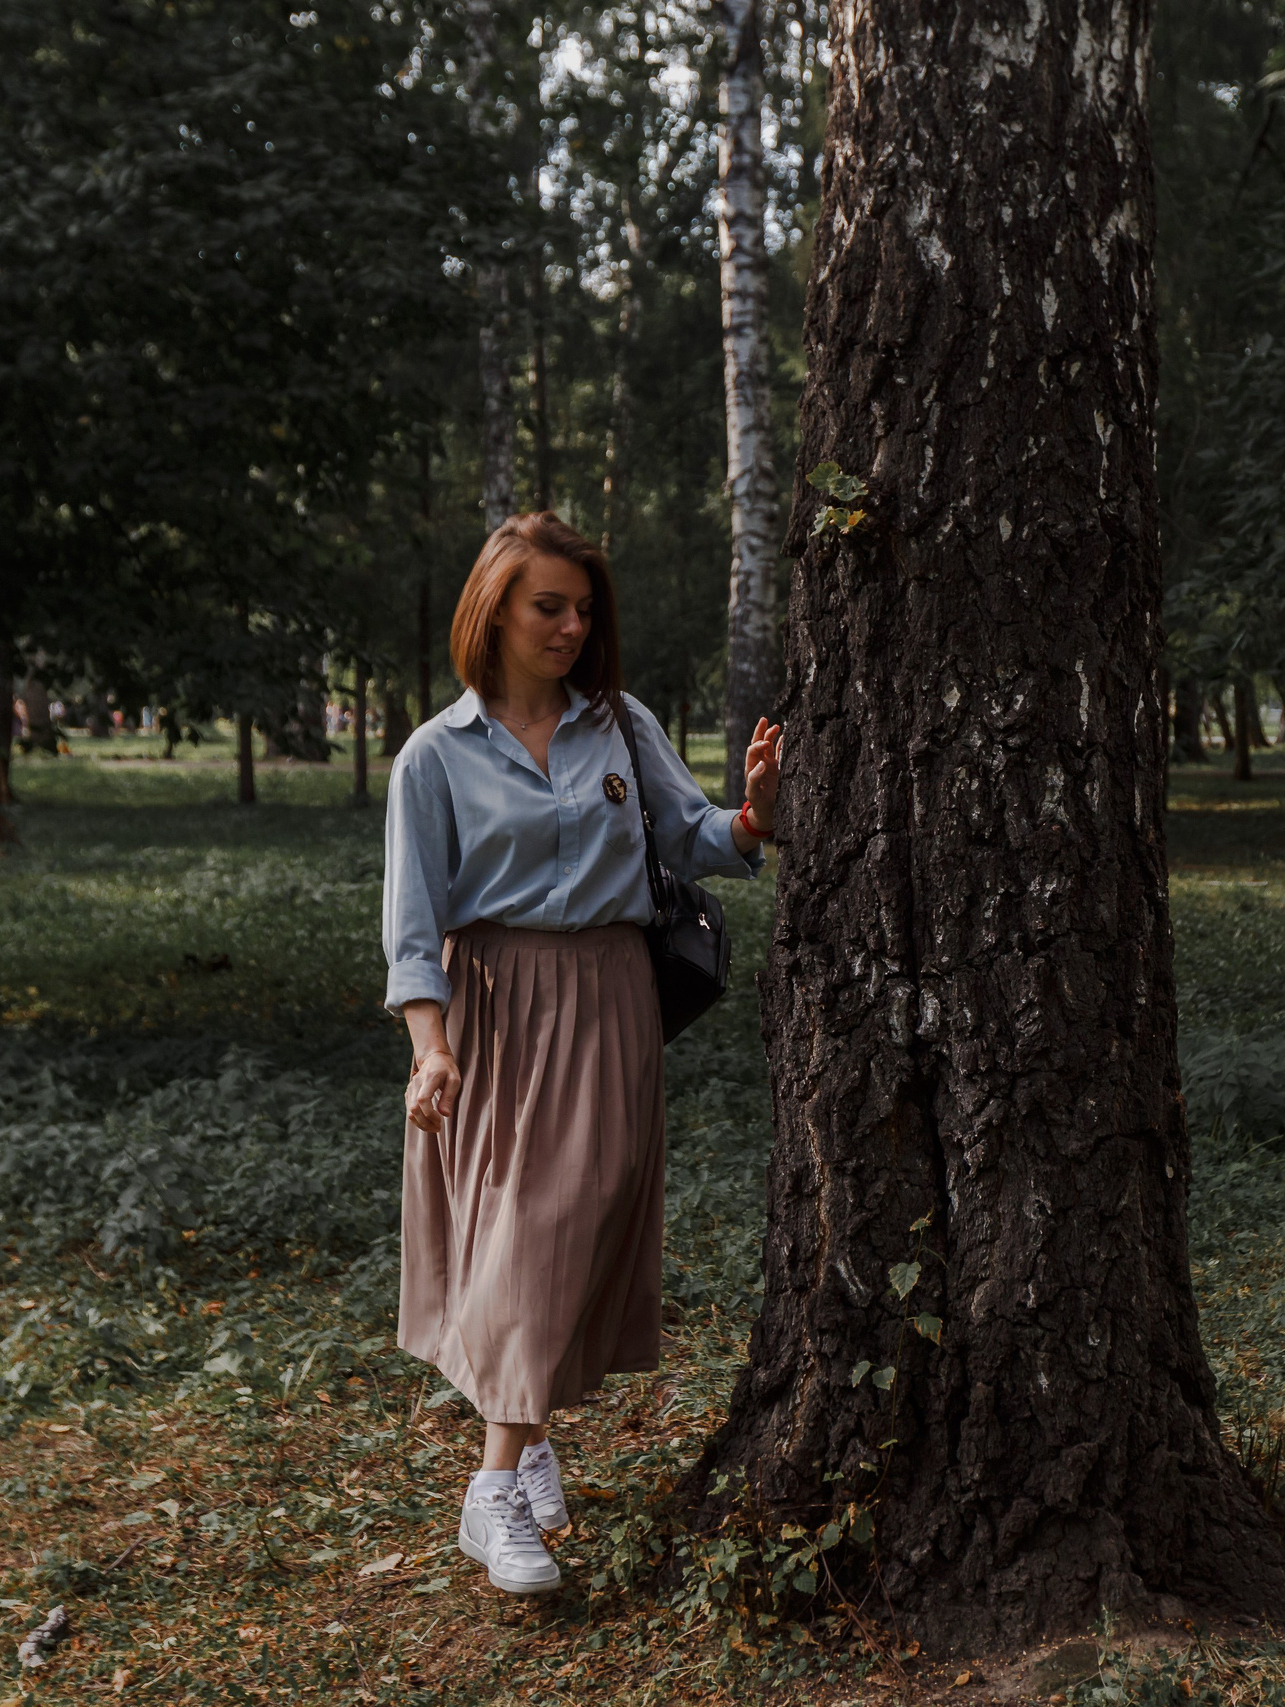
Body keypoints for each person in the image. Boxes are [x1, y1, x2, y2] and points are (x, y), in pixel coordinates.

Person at [381, 511, 784, 1594]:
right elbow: (413, 926)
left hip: (610, 997)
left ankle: (532, 1438)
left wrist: (752, 815)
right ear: (495, 610)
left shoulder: (617, 723)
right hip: (494, 1008)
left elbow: (689, 836)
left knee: (585, 1212)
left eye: (581, 608)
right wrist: (431, 1049)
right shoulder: (434, 754)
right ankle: (494, 1489)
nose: (569, 626)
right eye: (546, 605)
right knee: (525, 1229)